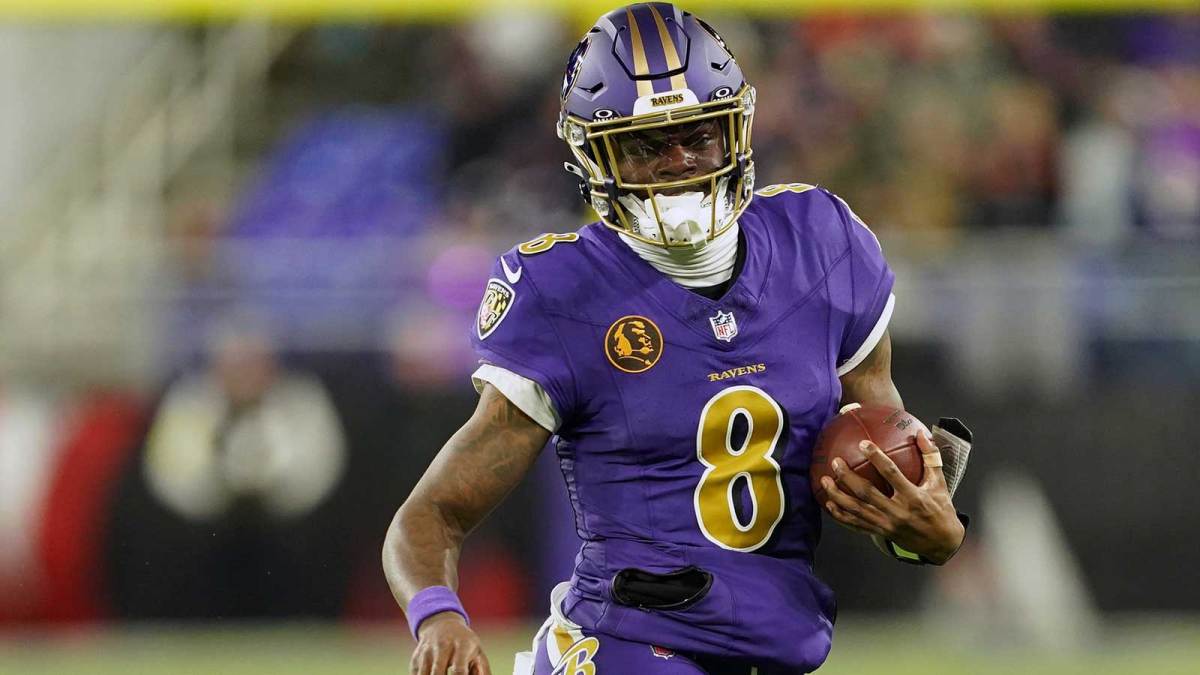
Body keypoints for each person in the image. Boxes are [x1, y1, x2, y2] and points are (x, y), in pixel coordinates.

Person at [383, 4, 972, 673]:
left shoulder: (822, 244)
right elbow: (430, 515)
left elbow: (883, 463)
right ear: (594, 155)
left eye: (697, 135)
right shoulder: (564, 292)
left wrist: (926, 533)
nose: (679, 162)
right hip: (627, 645)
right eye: (644, 145)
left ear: (736, 130)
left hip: (773, 646)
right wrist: (437, 617)